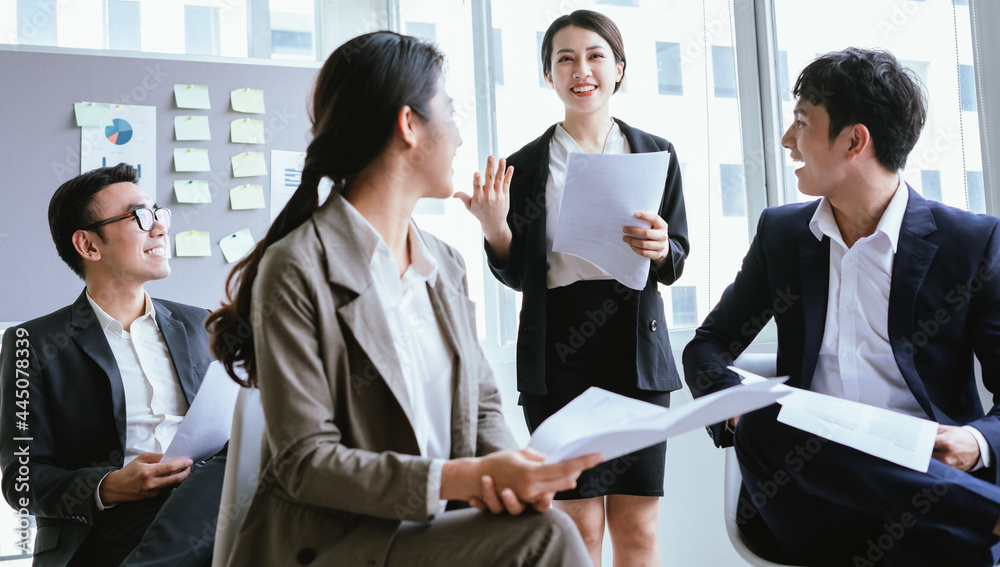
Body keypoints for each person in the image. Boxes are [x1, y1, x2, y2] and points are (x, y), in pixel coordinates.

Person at [206, 31, 599, 567]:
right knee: (547, 537)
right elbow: (305, 462)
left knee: (540, 522)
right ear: (408, 124)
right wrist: (468, 477)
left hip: (435, 531)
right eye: (450, 112)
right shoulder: (297, 266)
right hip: (336, 544)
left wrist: (515, 471)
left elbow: (481, 405)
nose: (460, 137)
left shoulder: (445, 264)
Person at [684, 47, 1000, 566]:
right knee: (765, 419)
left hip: (928, 500)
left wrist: (975, 441)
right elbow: (708, 345)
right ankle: (987, 512)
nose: (787, 139)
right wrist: (730, 404)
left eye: (803, 122)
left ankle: (969, 506)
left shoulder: (971, 243)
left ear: (855, 140)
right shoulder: (781, 234)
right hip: (811, 501)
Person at [456, 9, 689, 566]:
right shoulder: (525, 166)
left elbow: (675, 256)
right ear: (549, 75)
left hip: (634, 347)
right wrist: (495, 228)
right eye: (565, 58)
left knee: (638, 525)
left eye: (594, 56)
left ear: (619, 69)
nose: (580, 69)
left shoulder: (655, 153)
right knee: (577, 523)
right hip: (558, 352)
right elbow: (518, 276)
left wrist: (661, 248)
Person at [0, 163, 225, 567]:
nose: (159, 228)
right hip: (106, 528)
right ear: (88, 245)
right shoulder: (30, 344)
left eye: (158, 214)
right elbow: (21, 480)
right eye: (141, 217)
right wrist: (109, 486)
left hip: (205, 502)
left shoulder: (200, 325)